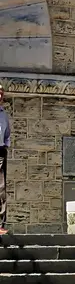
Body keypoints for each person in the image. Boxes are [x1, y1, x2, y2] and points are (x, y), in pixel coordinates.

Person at [0, 84, 9, 235]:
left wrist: (5, 146)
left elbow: (7, 133)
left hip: (0, 151)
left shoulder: (3, 114)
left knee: (0, 189)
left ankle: (0, 224)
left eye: (1, 93)